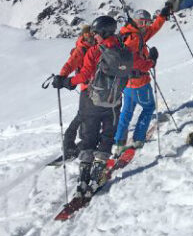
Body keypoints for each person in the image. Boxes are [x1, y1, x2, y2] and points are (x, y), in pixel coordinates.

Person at [52, 15, 155, 198]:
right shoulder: (125, 49)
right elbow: (141, 65)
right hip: (113, 103)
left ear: (103, 32)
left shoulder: (94, 51)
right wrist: (152, 60)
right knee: (107, 137)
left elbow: (83, 76)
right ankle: (97, 176)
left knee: (88, 138)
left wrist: (66, 82)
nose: (95, 36)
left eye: (97, 33)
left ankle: (83, 180)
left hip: (90, 101)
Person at [113, 5, 171, 154]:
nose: (145, 26)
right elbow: (136, 63)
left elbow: (152, 30)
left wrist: (162, 17)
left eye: (146, 22)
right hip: (139, 82)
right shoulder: (133, 39)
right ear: (135, 21)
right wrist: (151, 61)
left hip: (127, 83)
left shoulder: (130, 33)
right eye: (142, 22)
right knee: (149, 107)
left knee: (127, 111)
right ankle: (138, 138)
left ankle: (119, 141)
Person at [56, 23, 96, 159]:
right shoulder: (81, 49)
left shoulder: (94, 46)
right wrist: (62, 77)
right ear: (83, 35)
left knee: (88, 115)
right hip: (87, 88)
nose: (90, 35)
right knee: (83, 115)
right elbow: (70, 64)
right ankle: (69, 143)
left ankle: (82, 140)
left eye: (91, 33)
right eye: (87, 33)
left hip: (96, 87)